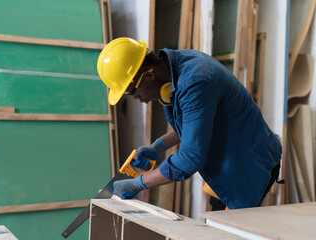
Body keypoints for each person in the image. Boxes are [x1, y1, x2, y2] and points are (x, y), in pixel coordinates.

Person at [97, 37, 282, 209]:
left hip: (248, 166)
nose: (136, 97)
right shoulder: (173, 70)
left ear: (149, 75)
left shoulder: (195, 82)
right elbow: (195, 124)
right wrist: (158, 146)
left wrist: (138, 183)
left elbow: (191, 157)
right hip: (229, 163)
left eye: (132, 91)